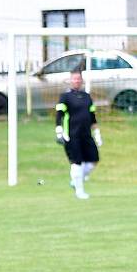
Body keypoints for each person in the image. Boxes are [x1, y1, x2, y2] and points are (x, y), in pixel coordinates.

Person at [55, 69, 102, 200]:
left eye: (78, 78)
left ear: (81, 80)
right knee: (77, 163)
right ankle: (79, 191)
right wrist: (59, 131)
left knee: (94, 160)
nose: (76, 81)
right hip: (72, 135)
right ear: (70, 80)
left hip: (86, 135)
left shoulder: (87, 97)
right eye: (74, 78)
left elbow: (92, 117)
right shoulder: (65, 97)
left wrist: (97, 133)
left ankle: (76, 181)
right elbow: (59, 115)